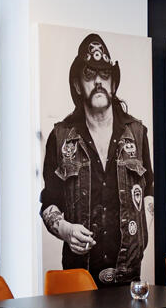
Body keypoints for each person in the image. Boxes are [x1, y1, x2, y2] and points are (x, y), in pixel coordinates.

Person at [40, 34, 153, 287]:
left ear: (113, 83)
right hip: (80, 273)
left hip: (128, 271)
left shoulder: (137, 133)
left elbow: (149, 190)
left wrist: (141, 240)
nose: (99, 82)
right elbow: (49, 203)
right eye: (90, 76)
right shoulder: (59, 137)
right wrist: (66, 230)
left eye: (105, 75)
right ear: (78, 86)